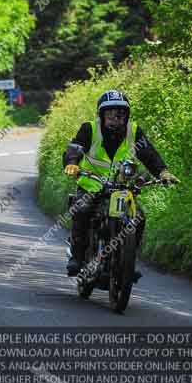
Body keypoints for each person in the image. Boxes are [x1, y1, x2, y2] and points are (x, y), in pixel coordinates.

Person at [63, 89, 180, 276]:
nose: (116, 118)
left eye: (120, 114)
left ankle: (128, 261)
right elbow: (75, 147)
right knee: (82, 210)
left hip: (121, 187)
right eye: (110, 113)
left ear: (126, 115)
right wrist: (71, 163)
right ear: (101, 115)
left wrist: (163, 172)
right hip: (91, 185)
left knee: (138, 217)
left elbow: (148, 153)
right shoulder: (89, 129)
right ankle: (76, 256)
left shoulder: (133, 131)